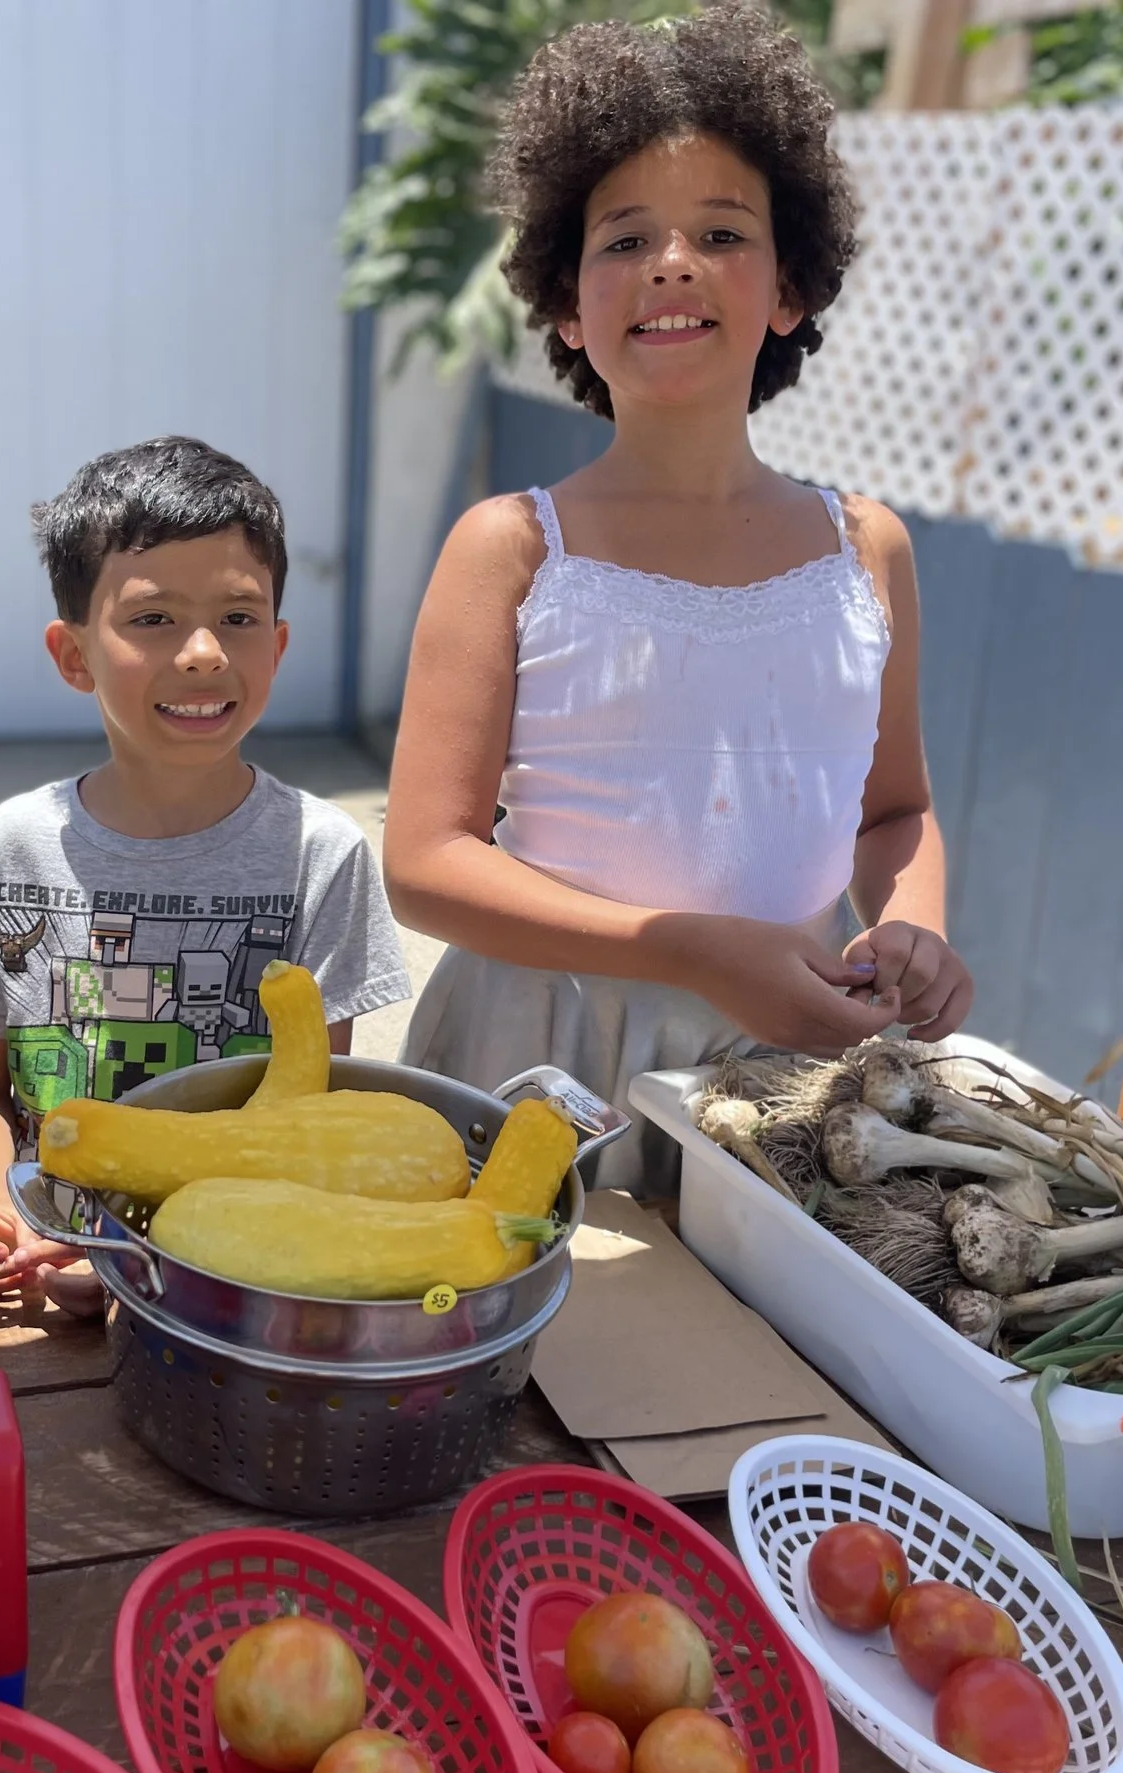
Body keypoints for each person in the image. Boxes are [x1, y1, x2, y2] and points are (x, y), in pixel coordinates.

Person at [382, 5, 973, 1195]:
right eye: (623, 239)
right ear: (563, 301)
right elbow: (425, 861)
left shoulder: (868, 549)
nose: (670, 261)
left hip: (785, 1064)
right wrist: (684, 951)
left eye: (720, 230)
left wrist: (914, 926)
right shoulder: (510, 548)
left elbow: (892, 811)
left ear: (791, 287)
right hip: (537, 1062)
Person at [0, 439, 410, 1298]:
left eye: (238, 616)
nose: (203, 652)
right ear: (73, 654)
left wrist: (166, 1258)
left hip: (234, 1273)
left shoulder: (322, 855)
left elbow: (313, 1111)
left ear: (279, 642)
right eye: (153, 618)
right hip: (44, 1256)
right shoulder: (11, 846)